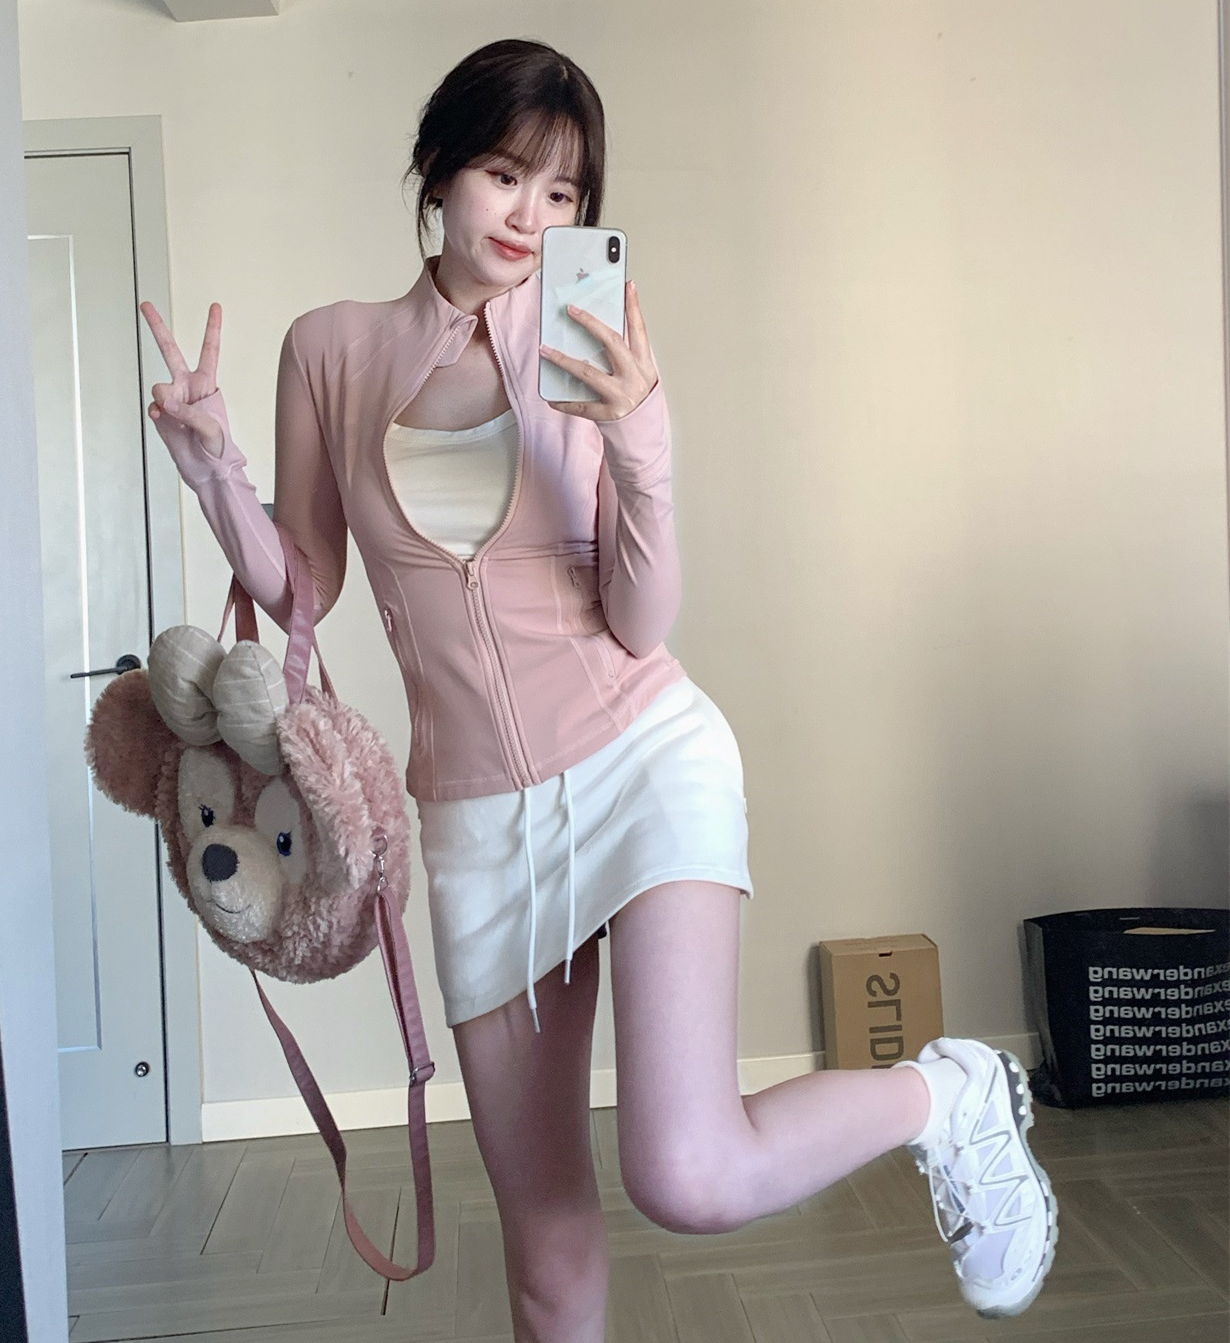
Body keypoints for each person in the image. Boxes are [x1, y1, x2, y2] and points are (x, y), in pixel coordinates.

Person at [140, 37, 1058, 1342]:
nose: (532, 214)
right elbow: (302, 589)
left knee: (686, 1173)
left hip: (642, 762)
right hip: (474, 825)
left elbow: (639, 617)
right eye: (506, 174)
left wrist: (641, 444)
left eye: (564, 192)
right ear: (438, 171)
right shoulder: (328, 350)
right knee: (549, 1260)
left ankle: (950, 1098)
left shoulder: (591, 335)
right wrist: (213, 471)